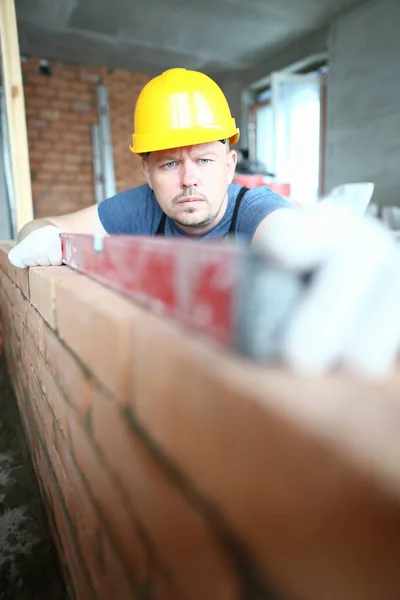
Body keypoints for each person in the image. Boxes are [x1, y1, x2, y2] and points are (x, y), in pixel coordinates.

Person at [8, 68, 400, 378]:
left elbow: (287, 235)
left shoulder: (254, 208)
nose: (188, 179)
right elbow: (34, 227)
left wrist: (323, 250)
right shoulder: (142, 208)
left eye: (205, 160)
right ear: (146, 171)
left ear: (230, 166)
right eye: (170, 163)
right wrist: (49, 241)